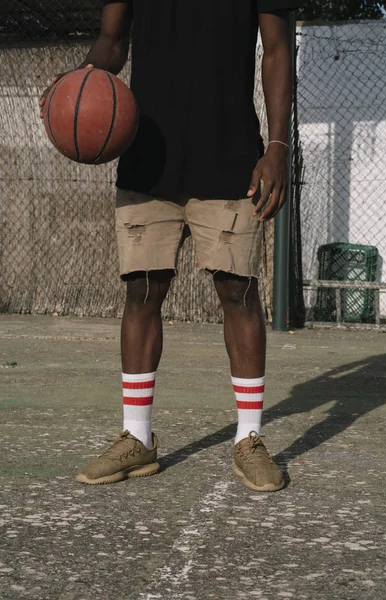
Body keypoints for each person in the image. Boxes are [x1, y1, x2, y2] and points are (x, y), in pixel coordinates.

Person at [40, 0, 302, 492]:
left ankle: (249, 439)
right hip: (147, 153)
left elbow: (276, 50)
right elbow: (112, 41)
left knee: (239, 295)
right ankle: (137, 438)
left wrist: (277, 147)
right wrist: (74, 83)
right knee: (141, 293)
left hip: (231, 155)